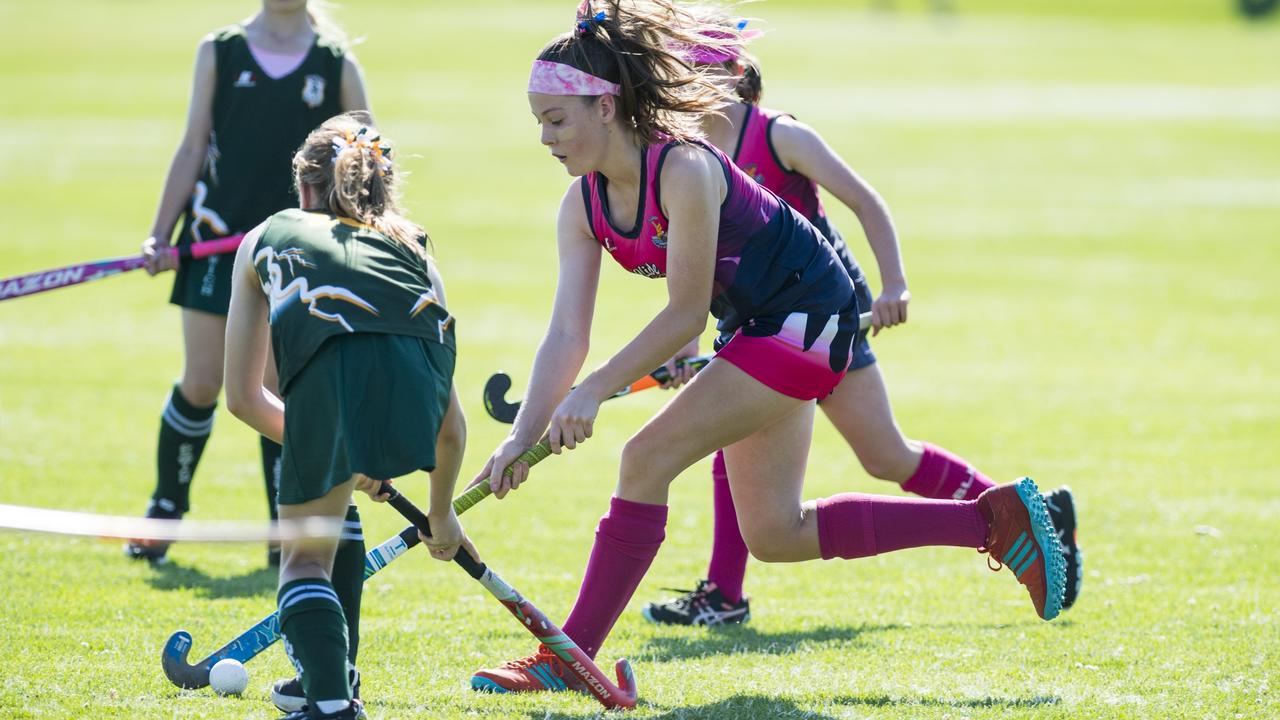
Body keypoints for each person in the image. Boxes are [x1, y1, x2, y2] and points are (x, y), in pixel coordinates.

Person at [468, 0, 1068, 695]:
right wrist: (521, 435)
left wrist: (596, 388)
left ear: (606, 108)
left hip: (811, 317)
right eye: (539, 122)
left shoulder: (684, 168)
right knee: (775, 533)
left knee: (645, 458)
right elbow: (566, 333)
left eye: (555, 120)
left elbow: (684, 309)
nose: (545, 138)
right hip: (757, 331)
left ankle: (568, 658)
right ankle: (991, 521)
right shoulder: (583, 205)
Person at [640, 17, 1082, 627]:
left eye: (706, 70)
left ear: (737, 74)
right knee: (731, 436)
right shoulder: (687, 153)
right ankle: (723, 593)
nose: (694, 84)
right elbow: (693, 262)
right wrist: (685, 347)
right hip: (752, 323)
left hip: (823, 318)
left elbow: (865, 201)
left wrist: (895, 282)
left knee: (887, 455)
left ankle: (1025, 515)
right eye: (685, 72)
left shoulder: (781, 136)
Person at [224, 112, 471, 720]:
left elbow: (244, 397)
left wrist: (328, 443)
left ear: (304, 188)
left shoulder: (266, 235)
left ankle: (331, 705)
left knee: (302, 559)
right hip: (416, 397)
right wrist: (441, 515)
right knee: (338, 511)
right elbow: (449, 425)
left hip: (329, 376)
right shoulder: (417, 250)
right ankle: (328, 681)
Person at [125, 0, 371, 567]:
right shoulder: (219, 50)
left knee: (276, 388)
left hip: (295, 253)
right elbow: (192, 146)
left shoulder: (337, 64)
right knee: (204, 381)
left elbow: (365, 163)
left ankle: (281, 529)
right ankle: (165, 511)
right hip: (215, 241)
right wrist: (160, 233)